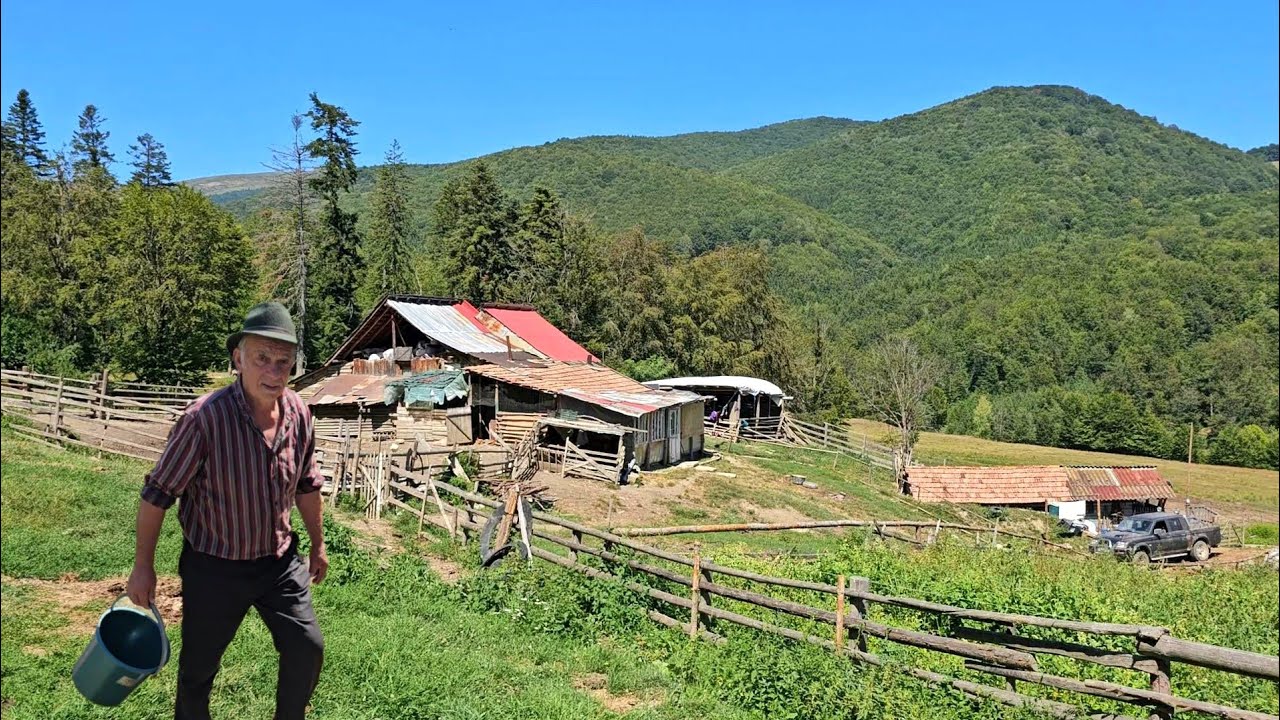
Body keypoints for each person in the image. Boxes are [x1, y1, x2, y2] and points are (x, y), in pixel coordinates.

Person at [126, 302, 327, 720]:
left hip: (278, 562)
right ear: (238, 358)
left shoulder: (300, 415)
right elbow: (157, 494)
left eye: (283, 363)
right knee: (198, 671)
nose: (273, 371)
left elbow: (307, 485)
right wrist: (142, 566)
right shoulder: (205, 419)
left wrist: (318, 546)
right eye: (262, 359)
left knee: (307, 648)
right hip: (214, 566)